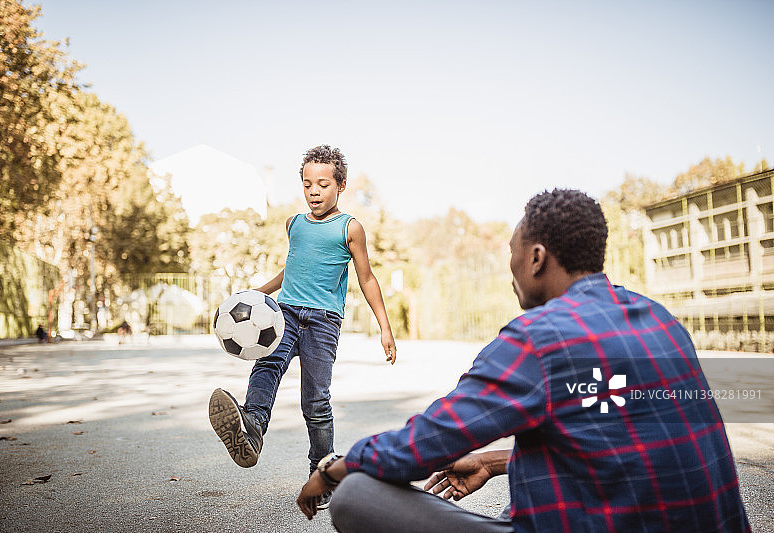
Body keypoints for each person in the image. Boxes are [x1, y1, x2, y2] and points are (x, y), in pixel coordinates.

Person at [297, 189, 750, 532]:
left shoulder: (539, 336)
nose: (510, 265)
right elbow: (621, 440)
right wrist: (493, 463)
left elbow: (424, 446)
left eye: (511, 252)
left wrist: (333, 467)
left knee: (355, 494)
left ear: (536, 258)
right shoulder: (661, 321)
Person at [209, 145, 397, 510]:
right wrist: (255, 293)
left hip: (324, 321)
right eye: (307, 184)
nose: (314, 191)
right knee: (267, 364)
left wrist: (384, 327)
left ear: (340, 185)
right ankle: (252, 426)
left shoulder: (350, 228)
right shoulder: (294, 224)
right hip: (284, 313)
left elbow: (367, 278)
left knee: (315, 401)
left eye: (323, 184)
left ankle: (321, 473)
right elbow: (291, 268)